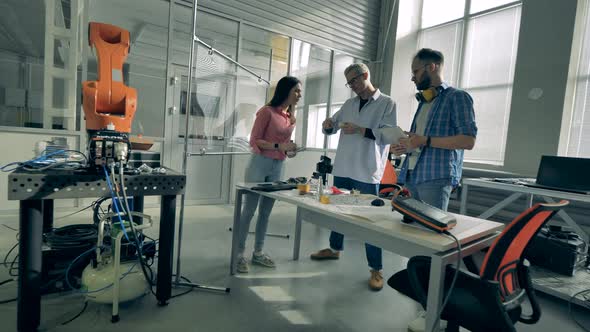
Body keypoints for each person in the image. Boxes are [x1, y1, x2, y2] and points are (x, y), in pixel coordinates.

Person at [390, 48, 477, 331]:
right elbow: (421, 140)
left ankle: (435, 313)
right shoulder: (424, 101)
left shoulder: (458, 97)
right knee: (418, 243)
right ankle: (424, 302)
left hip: (436, 178)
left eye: (416, 71)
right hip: (413, 175)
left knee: (435, 247)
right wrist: (404, 144)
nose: (413, 77)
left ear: (432, 67)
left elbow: (467, 140)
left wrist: (424, 140)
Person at [309, 63, 397, 291]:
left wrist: (361, 130)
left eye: (355, 81)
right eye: (349, 83)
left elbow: (389, 136)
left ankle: (376, 269)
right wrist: (327, 125)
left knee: (370, 220)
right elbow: (332, 127)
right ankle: (334, 249)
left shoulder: (387, 103)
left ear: (365, 75)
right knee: (337, 213)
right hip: (344, 167)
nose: (353, 86)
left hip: (367, 171)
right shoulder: (349, 104)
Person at [236, 76, 302, 273]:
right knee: (249, 211)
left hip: (279, 165)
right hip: (260, 163)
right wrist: (278, 145)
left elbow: (283, 146)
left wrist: (289, 149)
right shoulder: (266, 112)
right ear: (286, 90)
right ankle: (238, 254)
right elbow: (254, 140)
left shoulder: (290, 117)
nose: (299, 95)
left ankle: (258, 252)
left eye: (300, 92)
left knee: (266, 212)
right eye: (296, 91)